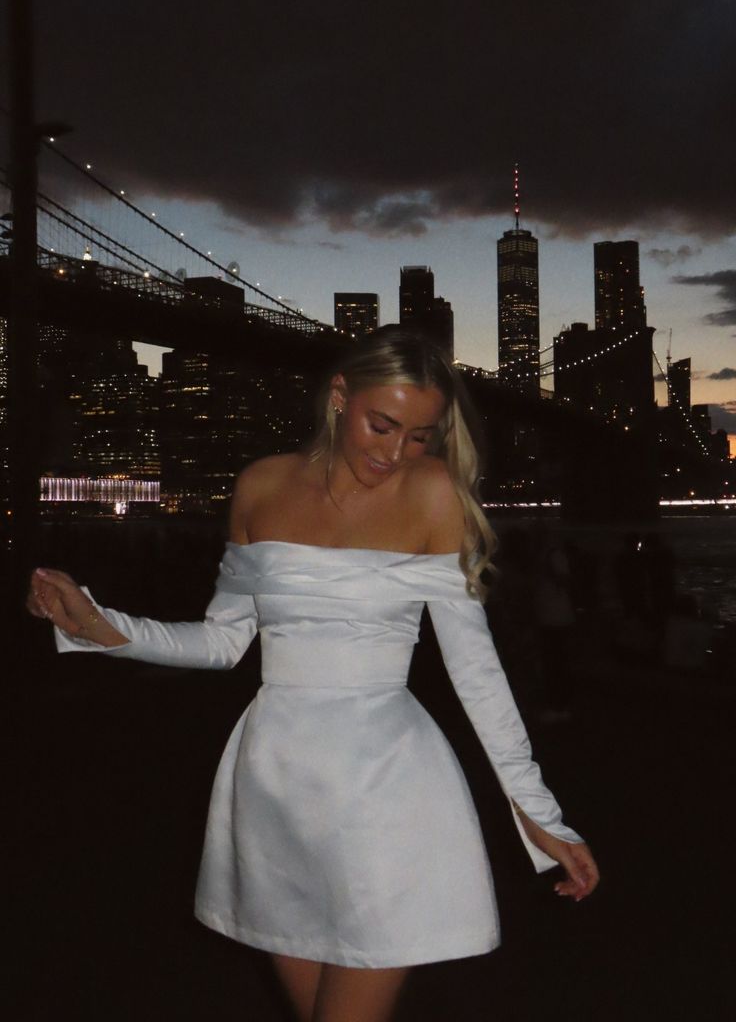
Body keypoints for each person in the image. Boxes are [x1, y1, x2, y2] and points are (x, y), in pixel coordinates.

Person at [27, 326, 599, 1022]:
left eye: (420, 435)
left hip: (386, 784)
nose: (395, 453)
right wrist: (97, 625)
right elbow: (222, 640)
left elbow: (476, 672)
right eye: (381, 425)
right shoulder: (260, 485)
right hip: (275, 785)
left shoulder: (432, 492)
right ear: (339, 398)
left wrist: (539, 814)